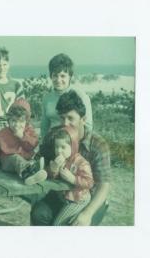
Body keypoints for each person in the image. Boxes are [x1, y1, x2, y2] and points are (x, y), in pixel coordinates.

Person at [33, 90, 111, 226]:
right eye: (62, 118)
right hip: (61, 194)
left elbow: (104, 186)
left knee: (74, 225)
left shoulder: (98, 144)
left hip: (88, 198)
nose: (65, 123)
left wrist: (87, 214)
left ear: (83, 119)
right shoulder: (55, 136)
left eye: (70, 118)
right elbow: (38, 161)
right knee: (38, 214)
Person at [31, 125, 94, 226]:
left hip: (77, 199)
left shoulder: (81, 163)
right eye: (57, 147)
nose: (59, 150)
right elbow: (53, 178)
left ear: (73, 146)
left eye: (63, 147)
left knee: (58, 224)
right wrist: (54, 170)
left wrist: (73, 179)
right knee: (38, 210)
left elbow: (90, 183)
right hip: (63, 196)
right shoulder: (61, 159)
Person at [0, 99, 47, 185]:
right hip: (8, 161)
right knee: (15, 158)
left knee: (33, 158)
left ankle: (33, 171)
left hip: (25, 159)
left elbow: (33, 145)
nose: (17, 125)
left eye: (21, 121)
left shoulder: (29, 131)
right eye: (14, 121)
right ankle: (27, 175)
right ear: (8, 121)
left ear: (26, 122)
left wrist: (22, 137)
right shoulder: (2, 133)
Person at [41, 53, 93, 138]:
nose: (58, 80)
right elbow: (44, 127)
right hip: (53, 143)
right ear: (50, 76)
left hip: (75, 142)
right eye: (55, 76)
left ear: (70, 77)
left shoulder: (81, 96)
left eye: (63, 76)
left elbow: (88, 127)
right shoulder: (47, 98)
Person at [0, 47, 24, 132]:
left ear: (8, 65)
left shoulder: (16, 85)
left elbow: (22, 109)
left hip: (13, 126)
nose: (2, 68)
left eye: (4, 64)